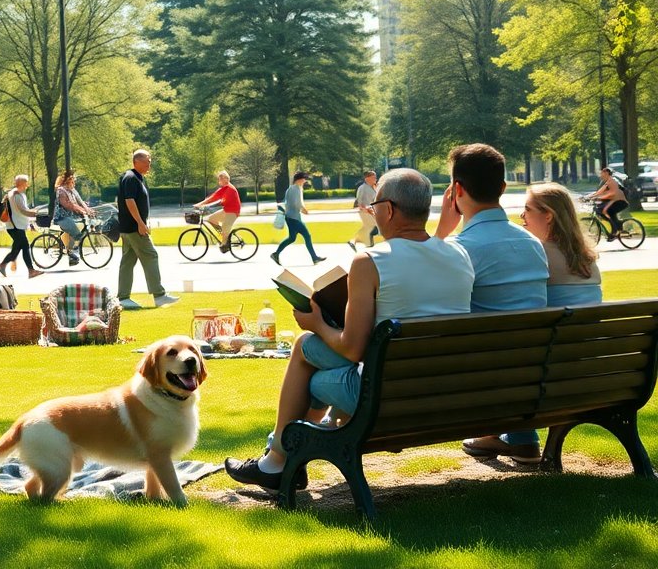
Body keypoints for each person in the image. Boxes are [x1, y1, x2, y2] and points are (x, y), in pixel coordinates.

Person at [225, 169, 474, 493]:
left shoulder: (370, 261)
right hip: (450, 393)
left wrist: (316, 323)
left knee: (306, 356)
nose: (372, 210)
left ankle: (278, 460)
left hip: (385, 400)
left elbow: (353, 349)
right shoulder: (459, 254)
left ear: (389, 210)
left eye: (375, 205)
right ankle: (283, 460)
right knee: (314, 359)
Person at [433, 143, 549, 464]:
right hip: (534, 373)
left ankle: (504, 434)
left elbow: (425, 305)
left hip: (481, 380)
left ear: (456, 191)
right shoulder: (533, 244)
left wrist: (440, 234)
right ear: (502, 188)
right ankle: (522, 439)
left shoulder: (460, 248)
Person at [116, 149, 178, 310]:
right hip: (133, 228)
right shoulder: (131, 178)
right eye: (147, 161)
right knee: (151, 255)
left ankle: (123, 297)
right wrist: (140, 223)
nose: (149, 163)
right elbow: (129, 201)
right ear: (137, 161)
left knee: (128, 261)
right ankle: (159, 295)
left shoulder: (135, 177)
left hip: (129, 228)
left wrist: (142, 222)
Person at [521, 182, 601, 306]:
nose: (522, 215)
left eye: (527, 209)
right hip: (590, 324)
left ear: (548, 216)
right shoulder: (586, 255)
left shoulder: (537, 253)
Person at [271, 172, 325, 266]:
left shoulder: (291, 188)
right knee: (307, 236)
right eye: (304, 179)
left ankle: (276, 254)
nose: (305, 181)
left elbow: (293, 203)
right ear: (299, 179)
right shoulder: (295, 189)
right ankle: (314, 258)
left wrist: (302, 209)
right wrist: (304, 210)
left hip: (291, 217)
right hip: (294, 218)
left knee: (292, 238)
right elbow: (297, 204)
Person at [0, 175, 43, 278]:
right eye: (26, 182)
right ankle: (31, 271)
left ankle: (2, 265)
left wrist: (30, 223)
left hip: (16, 226)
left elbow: (20, 212)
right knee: (25, 247)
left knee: (16, 250)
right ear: (23, 184)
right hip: (15, 227)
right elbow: (22, 211)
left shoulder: (17, 194)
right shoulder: (16, 195)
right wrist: (36, 214)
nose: (27, 184)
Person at [53, 169, 97, 265]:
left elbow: (78, 202)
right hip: (61, 218)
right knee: (77, 234)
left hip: (69, 216)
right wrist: (83, 210)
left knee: (77, 232)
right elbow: (68, 205)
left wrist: (88, 210)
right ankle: (71, 254)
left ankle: (71, 254)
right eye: (72, 182)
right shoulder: (61, 191)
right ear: (67, 182)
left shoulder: (71, 190)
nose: (74, 184)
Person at [192, 170, 242, 253]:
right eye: (219, 179)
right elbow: (212, 197)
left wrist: (206, 206)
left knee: (225, 227)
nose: (219, 181)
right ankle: (223, 234)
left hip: (233, 211)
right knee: (211, 219)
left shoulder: (230, 189)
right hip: (226, 210)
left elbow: (220, 201)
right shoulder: (223, 189)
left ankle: (225, 244)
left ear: (226, 179)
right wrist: (199, 204)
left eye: (221, 179)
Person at [589, 167, 628, 241]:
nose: (600, 175)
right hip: (616, 201)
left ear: (606, 173)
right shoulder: (608, 181)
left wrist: (599, 198)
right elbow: (599, 192)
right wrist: (589, 197)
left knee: (605, 211)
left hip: (620, 202)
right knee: (604, 212)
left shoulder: (612, 181)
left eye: (602, 173)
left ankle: (615, 231)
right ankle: (617, 226)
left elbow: (612, 193)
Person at [348, 170, 379, 251]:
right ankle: (356, 241)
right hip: (365, 211)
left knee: (370, 228)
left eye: (375, 177)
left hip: (372, 211)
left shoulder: (374, 187)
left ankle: (361, 242)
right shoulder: (362, 188)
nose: (375, 178)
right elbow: (358, 202)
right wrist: (365, 209)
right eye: (373, 177)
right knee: (372, 228)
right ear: (367, 178)